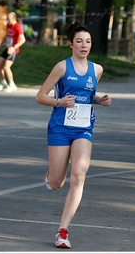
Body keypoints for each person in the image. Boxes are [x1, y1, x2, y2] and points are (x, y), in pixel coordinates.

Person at [35, 21, 112, 248]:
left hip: (83, 128)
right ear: (71, 44)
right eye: (79, 41)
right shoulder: (62, 67)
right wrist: (59, 101)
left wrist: (100, 100)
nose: (84, 45)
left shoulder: (96, 70)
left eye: (87, 41)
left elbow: (88, 96)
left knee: (79, 174)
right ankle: (52, 177)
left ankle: (63, 231)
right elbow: (40, 96)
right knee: (58, 183)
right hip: (59, 127)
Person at [0, 12, 26, 92]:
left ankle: (12, 85)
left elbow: (23, 39)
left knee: (6, 67)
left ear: (14, 18)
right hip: (7, 48)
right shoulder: (9, 25)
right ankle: (3, 83)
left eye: (9, 18)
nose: (7, 20)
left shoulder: (17, 27)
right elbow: (6, 36)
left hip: (13, 50)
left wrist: (14, 47)